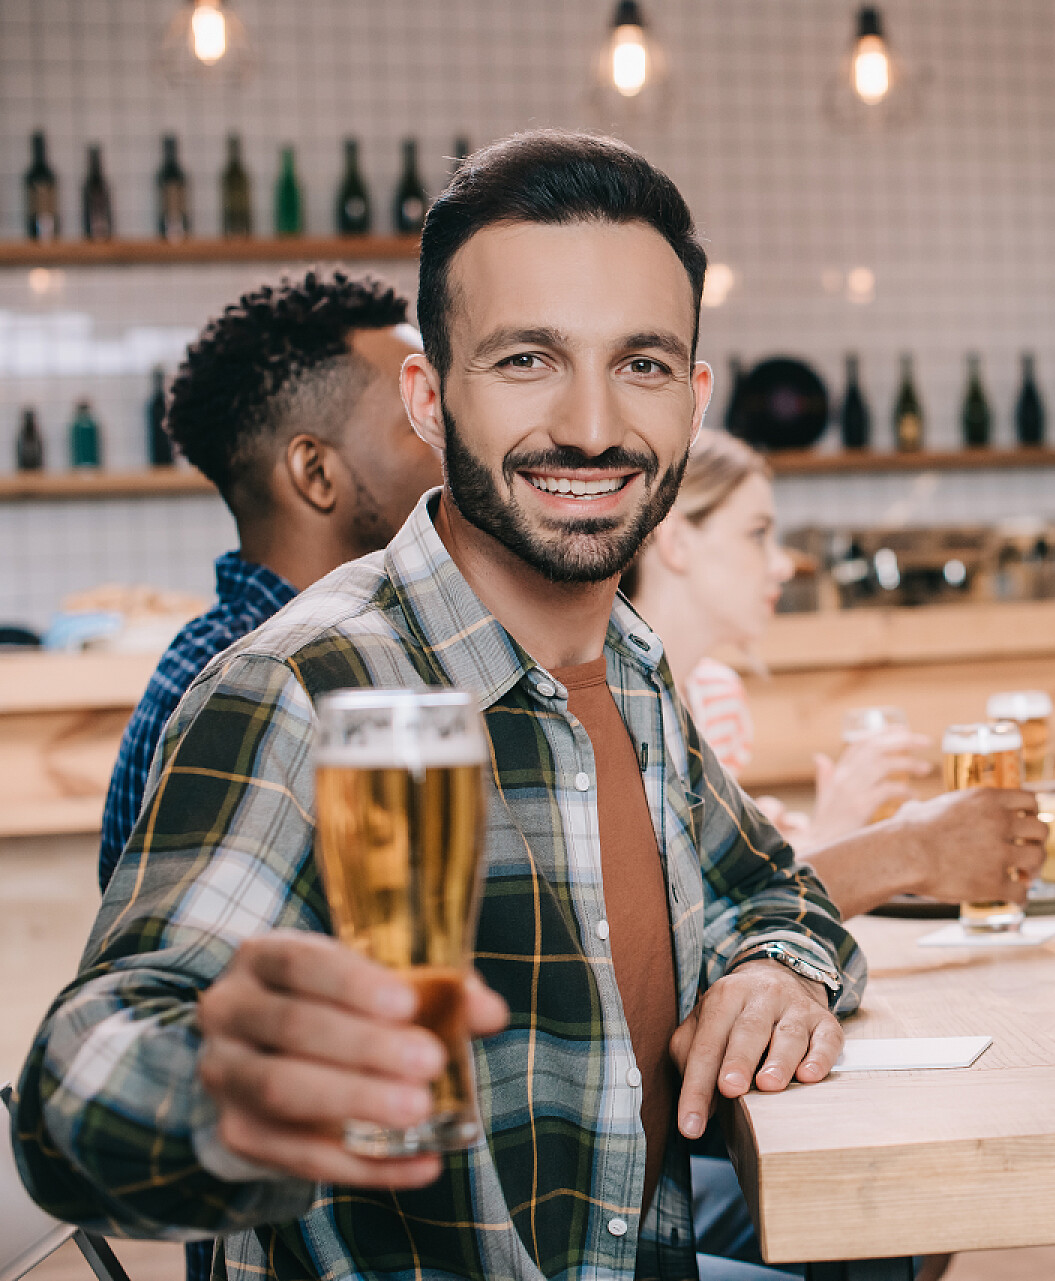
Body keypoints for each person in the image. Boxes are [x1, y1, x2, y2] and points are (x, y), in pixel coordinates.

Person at [12, 130, 864, 1281]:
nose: (594, 424)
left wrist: (776, 969)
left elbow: (777, 888)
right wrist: (220, 1084)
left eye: (644, 365)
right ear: (428, 396)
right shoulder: (308, 686)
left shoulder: (633, 662)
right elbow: (81, 1084)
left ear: (694, 399)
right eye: (526, 360)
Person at [97, 272, 443, 899]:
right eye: (420, 423)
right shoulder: (244, 687)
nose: (456, 445)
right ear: (316, 472)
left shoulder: (357, 651)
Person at [622, 430, 1047, 920]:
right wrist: (834, 836)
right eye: (758, 534)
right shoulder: (612, 710)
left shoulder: (717, 698)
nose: (783, 565)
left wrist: (782, 841)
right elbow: (683, 925)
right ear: (676, 542)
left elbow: (712, 881)